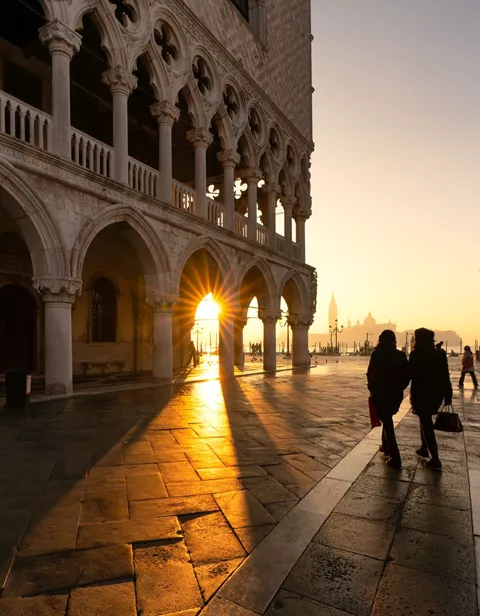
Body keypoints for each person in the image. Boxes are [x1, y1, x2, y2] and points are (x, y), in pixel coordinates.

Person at [409, 328, 453, 470]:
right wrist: (448, 395)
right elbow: (446, 376)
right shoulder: (440, 354)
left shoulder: (415, 355)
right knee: (424, 418)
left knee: (425, 421)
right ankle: (423, 447)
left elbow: (410, 374)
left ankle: (435, 458)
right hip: (436, 394)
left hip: (420, 393)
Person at [367, 330, 409, 468]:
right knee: (387, 418)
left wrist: (373, 389)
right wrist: (399, 388)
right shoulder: (400, 355)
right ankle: (385, 447)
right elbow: (406, 377)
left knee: (388, 422)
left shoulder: (377, 354)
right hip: (395, 394)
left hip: (381, 393)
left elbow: (371, 374)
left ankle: (395, 457)